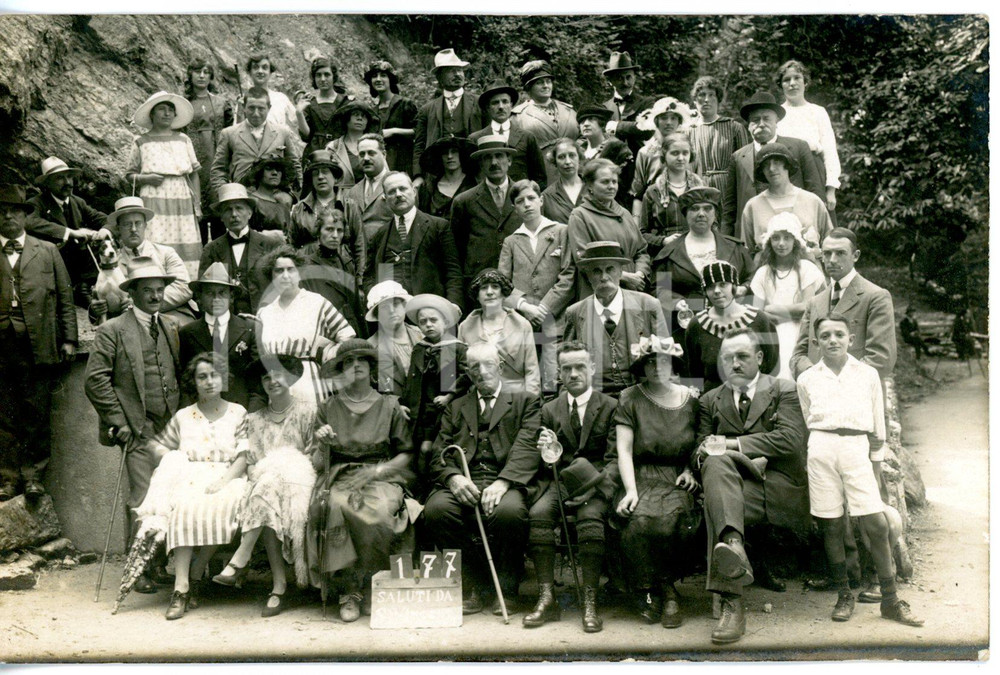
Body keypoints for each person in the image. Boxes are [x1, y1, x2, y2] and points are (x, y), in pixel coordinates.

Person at [797, 314, 923, 628]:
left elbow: (878, 425)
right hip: (822, 448)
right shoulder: (807, 379)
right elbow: (808, 418)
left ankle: (890, 599)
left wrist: (876, 464)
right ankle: (844, 594)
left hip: (857, 449)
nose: (833, 340)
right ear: (816, 342)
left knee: (876, 524)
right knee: (831, 525)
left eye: (839, 334)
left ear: (851, 339)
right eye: (825, 335)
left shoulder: (867, 375)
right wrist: (821, 445)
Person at [695, 328, 809, 644]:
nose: (734, 364)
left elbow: (790, 440)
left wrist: (731, 445)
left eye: (742, 356)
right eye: (727, 358)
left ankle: (730, 569)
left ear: (759, 357)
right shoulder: (709, 400)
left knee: (718, 493)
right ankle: (733, 601)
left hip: (776, 486)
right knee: (715, 471)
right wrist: (726, 455)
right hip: (731, 488)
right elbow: (698, 451)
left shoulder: (784, 390)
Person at [84, 256, 182, 594]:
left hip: (170, 430)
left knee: (168, 496)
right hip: (137, 429)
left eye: (160, 290)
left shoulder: (170, 326)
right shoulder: (112, 330)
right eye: (148, 290)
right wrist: (119, 422)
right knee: (142, 499)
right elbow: (95, 380)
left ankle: (158, 564)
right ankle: (137, 569)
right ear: (133, 293)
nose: (155, 296)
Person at [423, 342, 542, 616]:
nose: (481, 371)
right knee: (437, 510)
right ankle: (475, 583)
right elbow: (440, 451)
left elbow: (528, 446)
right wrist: (453, 478)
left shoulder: (526, 401)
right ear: (467, 372)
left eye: (488, 364)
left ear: (500, 367)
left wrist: (504, 482)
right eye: (474, 366)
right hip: (466, 478)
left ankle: (507, 587)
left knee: (509, 512)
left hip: (507, 480)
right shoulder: (456, 407)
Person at [306, 339, 416, 622]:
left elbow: (406, 454)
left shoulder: (390, 405)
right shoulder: (328, 407)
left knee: (381, 511)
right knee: (335, 506)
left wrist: (377, 472)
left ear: (371, 367)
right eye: (348, 362)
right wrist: (323, 443)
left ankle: (372, 583)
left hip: (381, 474)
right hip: (339, 475)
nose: (355, 366)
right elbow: (318, 463)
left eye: (361, 360)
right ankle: (349, 590)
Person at [134, 352, 249, 620]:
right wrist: (173, 461)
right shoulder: (184, 416)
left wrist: (223, 481)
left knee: (222, 504)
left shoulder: (238, 412)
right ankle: (182, 587)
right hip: (191, 474)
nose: (209, 381)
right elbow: (159, 445)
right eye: (202, 377)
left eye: (214, 375)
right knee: (184, 507)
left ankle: (196, 572)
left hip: (229, 475)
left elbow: (244, 456)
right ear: (193, 382)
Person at [212, 355, 317, 618]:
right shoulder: (255, 420)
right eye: (266, 378)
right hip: (265, 485)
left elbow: (314, 456)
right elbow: (251, 463)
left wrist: (282, 470)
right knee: (267, 492)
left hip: (299, 481)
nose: (272, 381)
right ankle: (278, 585)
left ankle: (245, 560)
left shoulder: (308, 412)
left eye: (277, 375)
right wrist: (264, 476)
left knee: (268, 488)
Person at [524, 341, 618, 632]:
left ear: (592, 368)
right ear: (559, 373)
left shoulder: (611, 406)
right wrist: (546, 450)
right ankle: (547, 596)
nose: (573, 373)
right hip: (561, 482)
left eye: (580, 367)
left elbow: (614, 459)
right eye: (567, 368)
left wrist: (597, 487)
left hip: (596, 483)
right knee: (539, 513)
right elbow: (545, 465)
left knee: (590, 518)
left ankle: (590, 599)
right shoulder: (549, 409)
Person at [613, 335, 700, 628]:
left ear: (673, 365)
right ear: (642, 367)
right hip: (641, 475)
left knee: (674, 518)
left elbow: (697, 443)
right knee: (638, 519)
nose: (657, 367)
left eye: (663, 361)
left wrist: (689, 470)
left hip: (675, 476)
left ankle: (666, 587)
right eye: (650, 362)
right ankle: (651, 591)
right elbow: (624, 450)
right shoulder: (630, 397)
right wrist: (630, 490)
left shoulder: (691, 398)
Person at [0, 185, 77, 502]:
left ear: (24, 216)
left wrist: (69, 338)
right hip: (1, 345)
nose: (8, 216)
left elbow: (65, 298)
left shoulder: (46, 251)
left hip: (39, 342)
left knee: (36, 412)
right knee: (3, 413)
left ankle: (33, 477)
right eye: (2, 212)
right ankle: (7, 478)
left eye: (14, 211)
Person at [498, 179, 576, 394]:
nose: (527, 204)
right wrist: (524, 306)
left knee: (554, 378)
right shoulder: (511, 241)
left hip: (556, 319)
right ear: (514, 207)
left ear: (541, 200)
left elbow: (569, 274)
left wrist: (544, 309)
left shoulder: (561, 231)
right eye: (520, 201)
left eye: (531, 198)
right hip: (524, 321)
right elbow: (502, 284)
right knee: (528, 380)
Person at [562, 241, 668, 396]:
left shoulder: (648, 305)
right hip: (594, 399)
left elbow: (667, 359)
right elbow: (566, 362)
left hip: (641, 395)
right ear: (588, 276)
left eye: (610, 269)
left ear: (620, 272)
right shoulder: (575, 313)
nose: (604, 277)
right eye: (596, 271)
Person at [791, 228, 897, 382]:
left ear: (856, 256)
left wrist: (837, 382)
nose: (832, 260)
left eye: (840, 253)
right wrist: (814, 377)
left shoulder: (875, 297)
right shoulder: (815, 302)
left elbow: (881, 358)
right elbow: (798, 356)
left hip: (858, 391)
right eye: (827, 253)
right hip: (817, 392)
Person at [255, 245, 356, 404]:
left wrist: (328, 354)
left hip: (310, 385)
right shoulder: (264, 313)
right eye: (279, 271)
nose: (285, 276)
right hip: (277, 387)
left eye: (291, 270)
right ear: (271, 276)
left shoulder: (317, 302)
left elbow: (347, 336)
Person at [721, 91, 824, 236]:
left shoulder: (798, 147)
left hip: (795, 231)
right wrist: (726, 241)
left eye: (767, 119)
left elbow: (815, 191)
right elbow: (730, 207)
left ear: (777, 122)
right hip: (753, 233)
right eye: (755, 120)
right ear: (749, 125)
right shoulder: (738, 157)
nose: (761, 124)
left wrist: (813, 233)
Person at [126, 91, 203, 278]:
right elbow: (129, 175)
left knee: (184, 240)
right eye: (161, 109)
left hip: (181, 197)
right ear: (152, 114)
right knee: (156, 239)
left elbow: (193, 174)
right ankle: (154, 282)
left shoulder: (183, 139)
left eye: (170, 110)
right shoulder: (141, 142)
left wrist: (197, 205)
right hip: (153, 196)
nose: (167, 113)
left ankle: (186, 283)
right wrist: (146, 179)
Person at [89, 196, 196, 325]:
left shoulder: (166, 253)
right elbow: (101, 297)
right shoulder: (111, 263)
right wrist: (95, 309)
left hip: (170, 313)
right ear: (118, 228)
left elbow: (184, 287)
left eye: (138, 223)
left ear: (145, 225)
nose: (133, 229)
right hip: (130, 321)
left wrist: (141, 303)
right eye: (127, 224)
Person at [364, 172, 463, 308]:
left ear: (414, 192)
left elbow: (452, 271)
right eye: (392, 192)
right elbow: (369, 276)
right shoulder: (380, 235)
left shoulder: (438, 227)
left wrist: (453, 304)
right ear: (385, 198)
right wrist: (377, 300)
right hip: (393, 313)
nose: (398, 194)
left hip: (429, 310)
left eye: (403, 188)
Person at [650, 186, 754, 316]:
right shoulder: (670, 253)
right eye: (694, 209)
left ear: (715, 214)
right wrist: (676, 302)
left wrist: (744, 288)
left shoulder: (735, 248)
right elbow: (660, 289)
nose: (701, 214)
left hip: (730, 318)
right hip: (689, 320)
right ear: (685, 214)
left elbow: (753, 277)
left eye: (707, 208)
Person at [399, 293, 469, 485]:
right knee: (416, 449)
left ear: (445, 322)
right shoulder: (420, 348)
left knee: (432, 449)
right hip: (421, 410)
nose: (428, 325)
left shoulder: (456, 348)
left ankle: (437, 483)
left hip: (444, 410)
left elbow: (468, 375)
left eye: (433, 320)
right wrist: (405, 403)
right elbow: (411, 380)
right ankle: (420, 487)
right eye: (423, 322)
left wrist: (449, 394)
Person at [178, 262, 266, 411]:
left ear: (231, 297)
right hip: (202, 412)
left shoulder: (249, 329)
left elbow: (258, 381)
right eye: (209, 293)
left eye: (222, 293)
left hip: (241, 410)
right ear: (199, 297)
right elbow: (185, 383)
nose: (216, 299)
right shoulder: (187, 333)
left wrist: (251, 415)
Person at [749, 214, 826, 380]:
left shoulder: (806, 269)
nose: (781, 243)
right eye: (776, 238)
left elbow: (807, 308)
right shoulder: (763, 273)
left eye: (787, 238)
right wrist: (790, 312)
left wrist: (773, 309)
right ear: (769, 241)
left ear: (795, 241)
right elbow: (758, 314)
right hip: (772, 334)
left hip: (801, 333)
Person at [26, 156, 111, 305]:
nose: (67, 182)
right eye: (60, 178)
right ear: (47, 183)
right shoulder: (36, 203)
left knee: (101, 244)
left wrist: (104, 230)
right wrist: (70, 232)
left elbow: (102, 218)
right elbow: (30, 222)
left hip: (78, 263)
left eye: (69, 177)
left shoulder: (77, 202)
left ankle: (83, 288)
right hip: (52, 263)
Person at [684, 261, 780, 392]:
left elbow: (772, 365)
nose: (717, 291)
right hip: (712, 398)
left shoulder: (759, 319)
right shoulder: (696, 324)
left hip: (755, 394)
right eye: (711, 286)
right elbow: (695, 374)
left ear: (734, 286)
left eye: (723, 284)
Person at [449, 135, 524, 296]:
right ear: (480, 163)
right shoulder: (464, 201)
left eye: (499, 156)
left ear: (509, 160)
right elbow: (456, 249)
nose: (494, 162)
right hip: (480, 285)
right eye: (487, 158)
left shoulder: (525, 197)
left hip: (519, 282)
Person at [567, 158, 650, 297]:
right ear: (590, 186)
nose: (611, 186)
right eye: (605, 182)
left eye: (614, 182)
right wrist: (624, 277)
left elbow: (641, 250)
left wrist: (639, 274)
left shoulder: (624, 213)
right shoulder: (580, 216)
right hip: (601, 290)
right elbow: (583, 260)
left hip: (633, 288)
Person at [199, 183, 282, 316]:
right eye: (228, 210)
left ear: (249, 213)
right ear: (221, 217)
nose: (234, 214)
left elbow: (282, 286)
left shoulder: (270, 245)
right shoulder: (211, 250)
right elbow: (203, 292)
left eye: (239, 208)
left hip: (264, 318)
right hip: (226, 321)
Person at [458, 268, 541, 398]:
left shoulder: (522, 325)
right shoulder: (465, 327)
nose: (489, 292)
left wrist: (530, 401)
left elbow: (532, 370)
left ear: (503, 293)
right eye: (484, 288)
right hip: (480, 396)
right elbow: (462, 371)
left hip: (515, 397)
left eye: (495, 287)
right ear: (477, 295)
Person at [740, 143, 831, 259]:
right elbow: (747, 252)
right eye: (766, 165)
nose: (771, 169)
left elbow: (830, 244)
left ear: (787, 165)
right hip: (768, 267)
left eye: (777, 162)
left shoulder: (812, 201)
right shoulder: (753, 206)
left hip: (809, 267)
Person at [776, 60, 842, 214]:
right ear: (781, 85)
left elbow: (830, 151)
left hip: (814, 171)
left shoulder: (818, 111)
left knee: (816, 217)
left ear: (805, 82)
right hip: (786, 172)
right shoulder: (776, 114)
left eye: (797, 78)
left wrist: (831, 189)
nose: (792, 83)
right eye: (786, 80)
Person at [210, 87, 303, 195]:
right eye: (251, 108)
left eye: (261, 108)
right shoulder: (229, 133)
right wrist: (227, 193)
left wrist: (291, 194)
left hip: (275, 197)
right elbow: (218, 169)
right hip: (242, 196)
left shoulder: (282, 132)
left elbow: (294, 165)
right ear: (244, 107)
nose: (256, 113)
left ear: (269, 108)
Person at [412, 49, 485, 182]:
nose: (457, 74)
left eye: (460, 70)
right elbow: (419, 146)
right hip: (438, 174)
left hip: (473, 172)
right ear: (439, 77)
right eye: (451, 71)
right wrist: (418, 176)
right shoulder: (427, 109)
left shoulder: (480, 103)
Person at [287, 150, 364, 273]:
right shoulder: (299, 209)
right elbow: (292, 245)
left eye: (325, 172)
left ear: (335, 177)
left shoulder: (349, 206)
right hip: (309, 270)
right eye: (315, 173)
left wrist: (359, 279)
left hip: (342, 270)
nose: (320, 177)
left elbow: (359, 245)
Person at [299, 206, 367, 337]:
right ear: (318, 232)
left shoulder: (347, 264)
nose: (335, 235)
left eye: (339, 230)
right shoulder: (307, 267)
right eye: (329, 229)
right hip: (325, 332)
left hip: (350, 331)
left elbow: (357, 307)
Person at [182, 59, 235, 224]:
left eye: (206, 72)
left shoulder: (221, 103)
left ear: (211, 77)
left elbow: (229, 128)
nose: (202, 76)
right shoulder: (183, 103)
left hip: (216, 154)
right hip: (192, 155)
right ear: (190, 75)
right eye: (198, 72)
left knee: (217, 195)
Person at [510, 60, 577, 184]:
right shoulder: (518, 116)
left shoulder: (569, 110)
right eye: (540, 83)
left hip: (574, 175)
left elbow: (584, 139)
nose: (546, 86)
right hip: (541, 179)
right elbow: (516, 158)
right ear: (529, 87)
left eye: (548, 81)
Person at [638, 132, 704, 257]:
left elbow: (714, 226)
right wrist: (662, 241)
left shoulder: (701, 188)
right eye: (675, 153)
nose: (681, 158)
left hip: (697, 253)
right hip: (665, 256)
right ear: (664, 155)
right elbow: (642, 234)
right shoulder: (653, 192)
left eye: (685, 153)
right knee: (665, 271)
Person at [471, 80, 547, 186]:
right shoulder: (476, 139)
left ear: (511, 105)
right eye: (495, 103)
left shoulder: (527, 137)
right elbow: (471, 176)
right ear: (487, 108)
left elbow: (539, 177)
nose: (501, 107)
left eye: (505, 101)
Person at [630, 96, 696, 217]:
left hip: (686, 212)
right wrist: (636, 220)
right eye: (664, 118)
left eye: (673, 118)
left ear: (679, 122)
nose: (669, 122)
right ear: (656, 121)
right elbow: (638, 193)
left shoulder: (688, 151)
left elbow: (698, 189)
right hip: (654, 213)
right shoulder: (645, 153)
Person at [687, 76, 751, 197]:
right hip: (698, 190)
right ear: (695, 100)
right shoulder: (688, 131)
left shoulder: (734, 127)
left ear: (718, 99)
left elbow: (744, 167)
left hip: (728, 189)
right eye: (702, 95)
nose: (706, 100)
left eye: (711, 95)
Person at [365, 281, 421, 396]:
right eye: (385, 307)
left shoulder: (421, 334)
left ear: (404, 306)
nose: (391, 311)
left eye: (395, 304)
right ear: (376, 314)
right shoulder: (370, 348)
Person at [364, 60, 418, 174]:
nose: (378, 79)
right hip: (380, 163)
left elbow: (419, 131)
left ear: (390, 80)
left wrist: (394, 131)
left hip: (403, 161)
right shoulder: (372, 111)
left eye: (383, 75)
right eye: (374, 76)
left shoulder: (405, 104)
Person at [599, 52, 656, 158]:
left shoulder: (646, 103)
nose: (625, 83)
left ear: (634, 78)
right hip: (613, 165)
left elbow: (647, 130)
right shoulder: (604, 107)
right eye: (619, 78)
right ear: (610, 81)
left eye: (628, 77)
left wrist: (615, 126)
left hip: (639, 162)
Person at [296, 56, 354, 156]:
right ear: (314, 78)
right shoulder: (309, 103)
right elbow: (306, 136)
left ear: (334, 77)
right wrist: (299, 113)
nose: (322, 79)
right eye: (318, 75)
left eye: (327, 75)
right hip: (315, 154)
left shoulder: (345, 102)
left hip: (340, 152)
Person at [342, 133, 393, 243]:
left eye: (371, 153)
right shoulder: (352, 192)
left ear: (384, 154)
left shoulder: (397, 184)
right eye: (361, 154)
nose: (365, 158)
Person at [415, 135, 479, 219]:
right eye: (445, 153)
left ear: (461, 155)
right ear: (440, 157)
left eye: (454, 152)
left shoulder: (473, 185)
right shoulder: (429, 188)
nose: (449, 156)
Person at [325, 100, 382, 189]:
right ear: (346, 119)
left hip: (370, 194)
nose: (360, 118)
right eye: (355, 114)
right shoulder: (333, 147)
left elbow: (384, 175)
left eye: (364, 116)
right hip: (342, 195)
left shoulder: (374, 145)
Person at [245, 53, 298, 137]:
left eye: (264, 67)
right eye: (255, 67)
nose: (260, 71)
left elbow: (297, 122)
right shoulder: (244, 100)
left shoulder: (281, 98)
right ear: (250, 72)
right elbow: (236, 131)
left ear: (270, 72)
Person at [242, 154, 294, 237]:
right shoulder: (250, 202)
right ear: (259, 173)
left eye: (278, 170)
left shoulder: (283, 206)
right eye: (268, 169)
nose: (275, 173)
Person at [540, 138, 585, 223]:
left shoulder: (593, 188)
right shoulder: (547, 197)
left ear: (579, 157)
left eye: (572, 155)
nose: (567, 161)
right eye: (561, 157)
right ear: (555, 162)